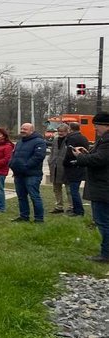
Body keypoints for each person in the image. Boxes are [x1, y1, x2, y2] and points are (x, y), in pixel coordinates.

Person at [66, 112, 109, 262]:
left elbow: (100, 159)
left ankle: (106, 254)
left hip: (103, 187)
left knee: (103, 221)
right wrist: (87, 153)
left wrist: (80, 157)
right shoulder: (103, 139)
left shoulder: (107, 140)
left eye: (96, 126)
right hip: (102, 186)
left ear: (105, 125)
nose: (95, 129)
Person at [10, 122, 47, 223]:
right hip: (18, 174)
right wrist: (12, 164)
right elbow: (14, 155)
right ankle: (24, 216)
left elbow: (38, 157)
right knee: (21, 197)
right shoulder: (20, 142)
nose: (22, 131)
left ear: (32, 130)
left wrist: (25, 166)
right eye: (21, 128)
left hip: (32, 175)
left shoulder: (39, 142)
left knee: (34, 196)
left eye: (25, 129)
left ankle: (39, 219)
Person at [63, 122, 90, 217]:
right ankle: (77, 209)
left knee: (73, 190)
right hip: (81, 165)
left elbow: (70, 153)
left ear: (70, 129)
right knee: (75, 189)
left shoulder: (71, 138)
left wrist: (65, 162)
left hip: (73, 167)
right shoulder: (84, 138)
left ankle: (78, 211)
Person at [48, 124, 70, 213]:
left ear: (67, 131)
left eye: (62, 131)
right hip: (55, 167)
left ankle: (71, 206)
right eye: (59, 131)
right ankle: (59, 206)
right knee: (56, 188)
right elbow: (52, 151)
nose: (60, 133)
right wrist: (50, 161)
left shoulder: (69, 140)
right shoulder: (55, 139)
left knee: (68, 189)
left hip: (65, 168)